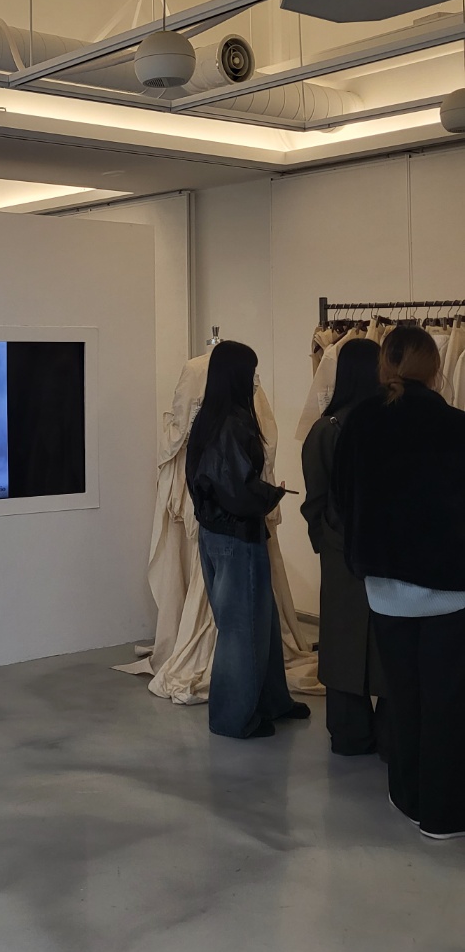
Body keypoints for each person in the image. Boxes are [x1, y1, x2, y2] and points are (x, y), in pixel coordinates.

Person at [335, 326, 465, 839]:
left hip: (386, 588)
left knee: (404, 697)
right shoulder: (456, 425)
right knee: (447, 702)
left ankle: (408, 797)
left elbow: (343, 500)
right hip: (450, 589)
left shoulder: (359, 422)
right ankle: (444, 814)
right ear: (435, 367)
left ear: (385, 365)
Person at [186, 340, 310, 739]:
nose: (255, 381)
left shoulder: (209, 419)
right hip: (236, 535)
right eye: (252, 373)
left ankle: (272, 701)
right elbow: (237, 490)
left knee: (261, 622)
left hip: (215, 533)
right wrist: (271, 494)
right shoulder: (234, 422)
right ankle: (233, 717)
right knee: (242, 629)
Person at [301, 338, 385, 756]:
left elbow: (315, 499)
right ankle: (392, 734)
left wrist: (326, 543)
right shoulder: (392, 423)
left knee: (343, 638)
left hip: (341, 550)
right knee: (389, 642)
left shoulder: (327, 429)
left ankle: (350, 732)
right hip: (390, 550)